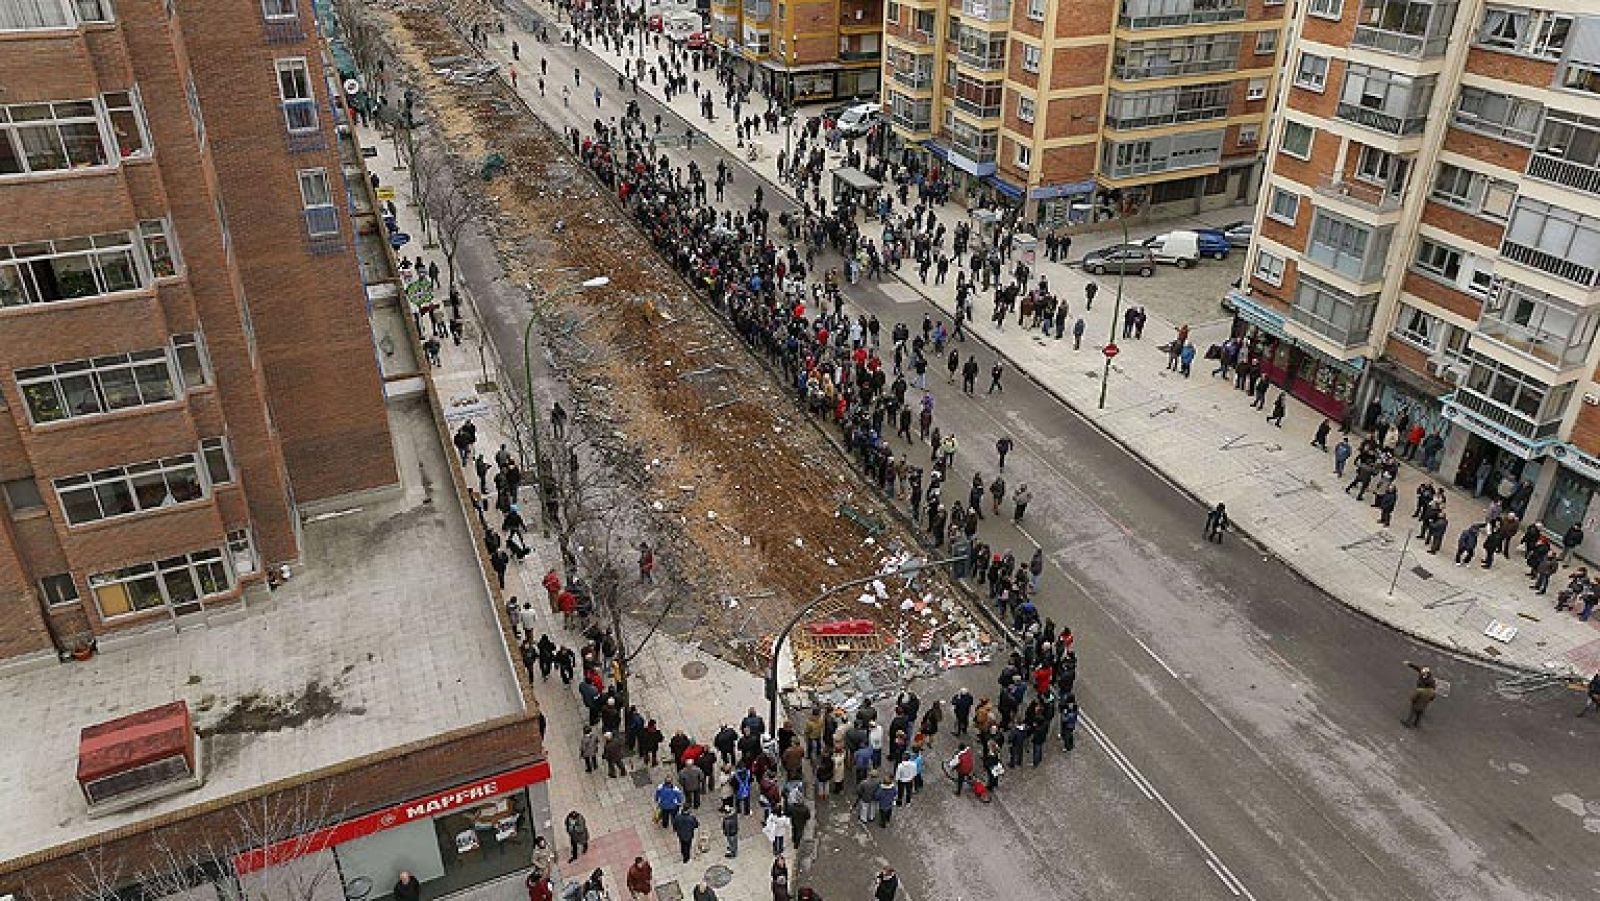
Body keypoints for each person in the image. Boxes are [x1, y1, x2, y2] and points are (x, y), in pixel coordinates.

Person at [1403, 661, 1437, 728]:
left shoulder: (1430, 681)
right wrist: (1410, 664)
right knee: (1421, 711)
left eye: (1423, 673)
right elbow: (1417, 668)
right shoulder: (1424, 674)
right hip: (1424, 695)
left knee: (1414, 710)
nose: (1421, 673)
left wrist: (1414, 699)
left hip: (1422, 693)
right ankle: (1416, 723)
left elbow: (1414, 697)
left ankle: (1408, 723)